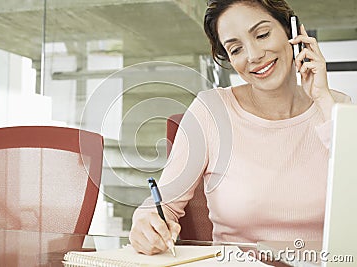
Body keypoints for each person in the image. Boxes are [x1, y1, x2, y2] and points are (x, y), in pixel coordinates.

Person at [129, 0, 352, 256]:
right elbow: (162, 205)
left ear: (292, 32)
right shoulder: (211, 111)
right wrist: (145, 224)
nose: (253, 55)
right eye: (236, 49)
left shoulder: (338, 107)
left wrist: (323, 100)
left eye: (262, 34)